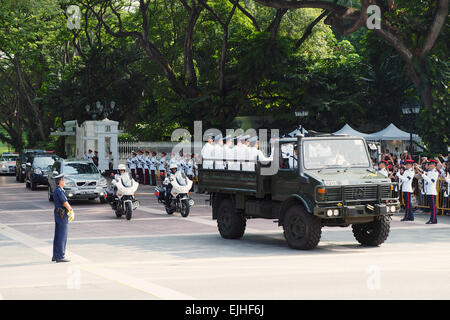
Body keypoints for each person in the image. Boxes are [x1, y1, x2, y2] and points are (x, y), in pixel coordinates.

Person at [52, 173, 73, 263]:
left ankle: (56, 255)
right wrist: (71, 210)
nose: (64, 182)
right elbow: (64, 202)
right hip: (62, 214)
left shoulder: (58, 190)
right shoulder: (59, 191)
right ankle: (60, 255)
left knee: (58, 235)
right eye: (63, 180)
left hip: (58, 214)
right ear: (60, 182)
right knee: (62, 235)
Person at [422, 159, 439, 224]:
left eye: (430, 164)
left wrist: (424, 176)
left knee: (433, 207)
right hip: (428, 191)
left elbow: (431, 181)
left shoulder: (435, 173)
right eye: (429, 164)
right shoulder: (430, 172)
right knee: (431, 207)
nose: (429, 166)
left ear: (434, 165)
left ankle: (434, 219)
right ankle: (432, 219)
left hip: (432, 191)